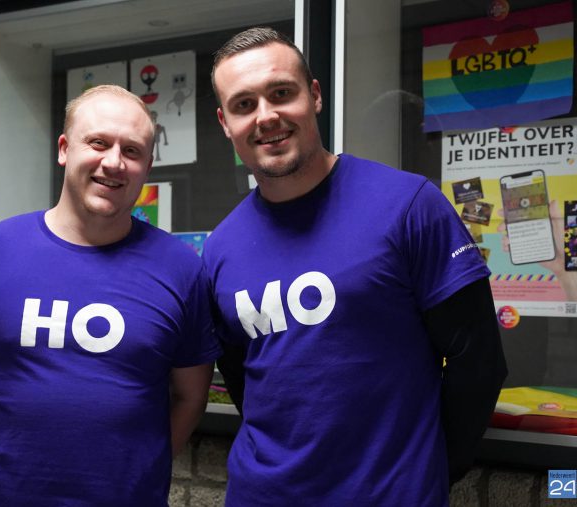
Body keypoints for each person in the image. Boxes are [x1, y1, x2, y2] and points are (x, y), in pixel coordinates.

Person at [204, 27, 507, 506]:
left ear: (314, 95)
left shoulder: (409, 206)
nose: (266, 116)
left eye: (281, 93)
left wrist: (429, 473)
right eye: (244, 104)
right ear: (226, 122)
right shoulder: (220, 248)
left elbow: (479, 362)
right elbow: (243, 382)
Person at [0, 85, 220, 506]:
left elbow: (191, 397)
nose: (114, 162)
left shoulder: (181, 269)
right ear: (64, 149)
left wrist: (142, 470)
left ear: (147, 166)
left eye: (132, 151)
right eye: (98, 143)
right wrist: (2, 456)